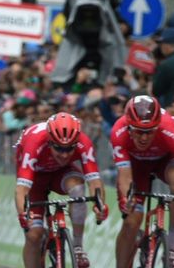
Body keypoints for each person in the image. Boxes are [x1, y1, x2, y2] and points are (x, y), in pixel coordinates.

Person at [111, 95, 174, 268]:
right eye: (138, 131)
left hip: (164, 162)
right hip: (136, 168)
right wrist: (126, 199)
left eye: (150, 131)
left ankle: (171, 248)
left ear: (158, 125)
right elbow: (125, 175)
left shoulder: (170, 130)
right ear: (129, 127)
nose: (144, 138)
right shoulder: (118, 132)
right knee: (130, 223)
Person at [15, 113, 109, 268]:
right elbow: (22, 188)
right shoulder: (34, 142)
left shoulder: (83, 143)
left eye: (70, 148)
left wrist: (100, 204)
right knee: (33, 235)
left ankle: (78, 247)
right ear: (50, 142)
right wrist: (23, 214)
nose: (64, 154)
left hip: (61, 172)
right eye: (59, 148)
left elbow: (94, 181)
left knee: (79, 188)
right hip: (34, 179)